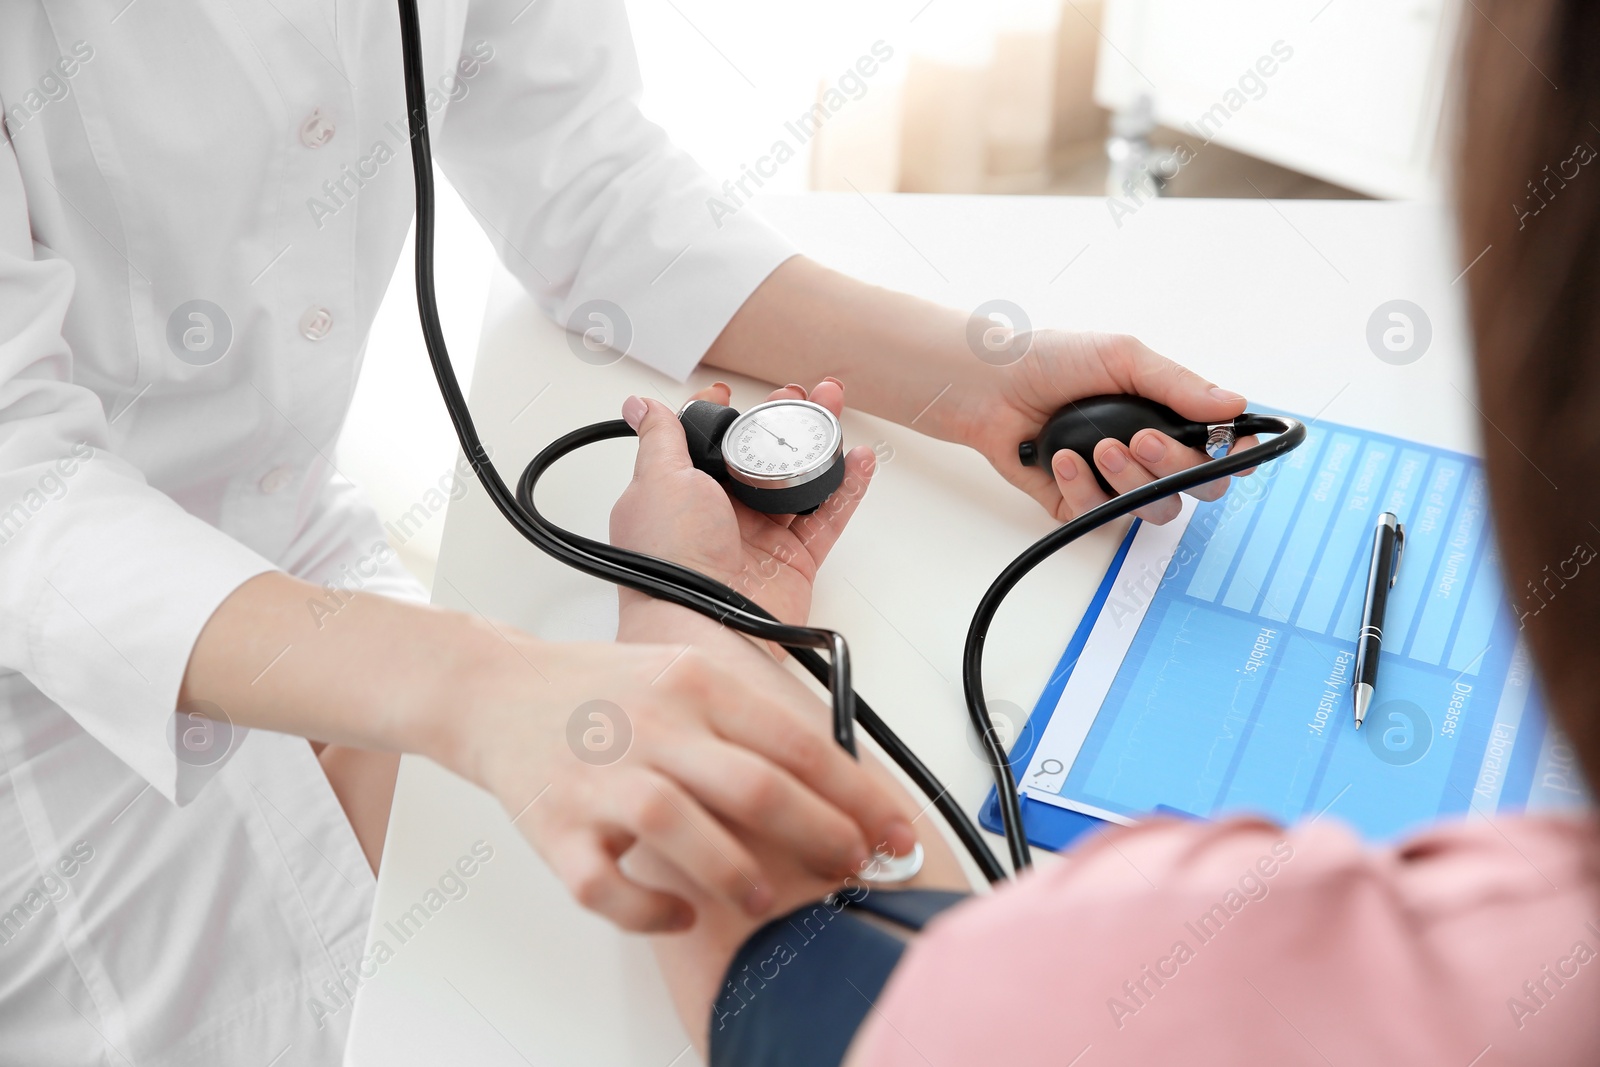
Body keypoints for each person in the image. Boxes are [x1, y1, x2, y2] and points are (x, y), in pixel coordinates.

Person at [0, 3, 1244, 1063]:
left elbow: (587, 182)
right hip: (44, 746)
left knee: (617, 938)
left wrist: (975, 383)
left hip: (299, 568)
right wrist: (481, 684)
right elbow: (25, 495)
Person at [604, 2, 1600, 1063]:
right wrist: (976, 386)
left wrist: (688, 606)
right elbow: (597, 201)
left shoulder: (1260, 971)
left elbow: (794, 963)